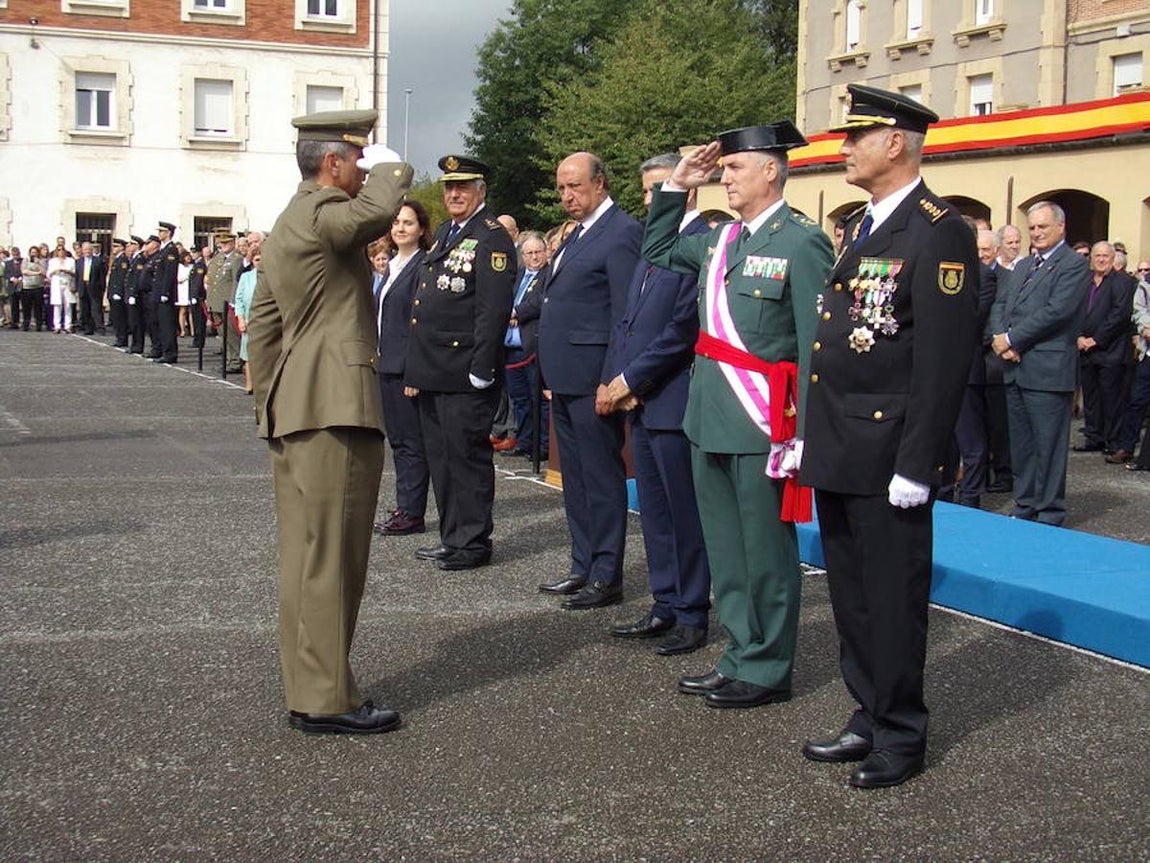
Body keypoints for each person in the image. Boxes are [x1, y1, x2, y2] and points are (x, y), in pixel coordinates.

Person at [801, 84, 979, 788]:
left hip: (889, 450)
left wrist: (920, 458)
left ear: (896, 141)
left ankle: (901, 732)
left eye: (856, 137)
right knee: (850, 590)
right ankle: (868, 710)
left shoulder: (938, 229)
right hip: (842, 442)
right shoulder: (865, 225)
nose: (844, 148)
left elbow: (941, 359)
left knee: (892, 593)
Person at [644, 125, 833, 701]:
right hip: (708, 416)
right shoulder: (719, 239)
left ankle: (768, 667)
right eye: (722, 170)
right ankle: (738, 652)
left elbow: (814, 344)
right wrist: (678, 185)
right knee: (726, 549)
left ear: (771, 171)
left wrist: (804, 431)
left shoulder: (802, 241)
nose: (724, 178)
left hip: (763, 422)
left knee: (765, 553)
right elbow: (655, 249)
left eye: (735, 168)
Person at [246, 109, 412, 735]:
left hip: (296, 407)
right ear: (333, 163)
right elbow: (370, 216)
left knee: (306, 557)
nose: (364, 171)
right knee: (333, 559)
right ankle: (325, 698)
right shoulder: (320, 213)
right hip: (333, 408)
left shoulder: (288, 221)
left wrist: (269, 402)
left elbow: (264, 324)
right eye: (357, 161)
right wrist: (395, 166)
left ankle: (310, 685)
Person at [598, 153, 715, 657]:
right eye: (646, 192)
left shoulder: (699, 242)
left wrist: (631, 378)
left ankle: (692, 612)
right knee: (655, 510)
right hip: (642, 401)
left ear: (686, 189)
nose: (648, 200)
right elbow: (631, 318)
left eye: (655, 190)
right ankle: (664, 602)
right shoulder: (656, 242)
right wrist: (618, 379)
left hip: (672, 397)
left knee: (684, 513)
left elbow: (682, 330)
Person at [536, 152, 642, 609]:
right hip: (564, 376)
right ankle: (582, 565)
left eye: (574, 186)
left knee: (600, 478)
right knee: (574, 479)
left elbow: (624, 314)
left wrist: (611, 379)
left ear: (600, 183)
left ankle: (606, 573)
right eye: (561, 188)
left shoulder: (620, 232)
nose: (566, 196)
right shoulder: (576, 235)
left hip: (593, 379)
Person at [403, 155, 517, 570]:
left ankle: (471, 542)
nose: (454, 194)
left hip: (465, 371)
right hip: (435, 370)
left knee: (465, 461)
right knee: (442, 460)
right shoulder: (450, 233)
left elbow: (493, 308)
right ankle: (453, 537)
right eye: (450, 188)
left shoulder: (490, 237)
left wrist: (482, 368)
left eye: (463, 187)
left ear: (480, 191)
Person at [988, 201, 1089, 526]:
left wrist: (1014, 339)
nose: (1036, 233)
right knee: (1022, 446)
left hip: (1047, 370)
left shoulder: (1072, 264)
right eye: (1032, 227)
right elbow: (1000, 303)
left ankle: (1049, 512)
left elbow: (1057, 312)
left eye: (1042, 227)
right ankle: (1026, 504)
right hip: (1015, 369)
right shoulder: (1022, 266)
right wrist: (999, 337)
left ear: (1060, 227)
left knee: (1048, 446)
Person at [373, 201, 432, 537]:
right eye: (396, 222)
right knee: (397, 440)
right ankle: (404, 505)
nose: (400, 228)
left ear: (421, 229)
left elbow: (420, 324)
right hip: (386, 362)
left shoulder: (422, 266)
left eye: (408, 223)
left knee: (411, 443)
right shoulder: (392, 265)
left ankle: (411, 512)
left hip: (405, 368)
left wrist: (415, 372)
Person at [1075, 242, 1136, 457]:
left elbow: (1119, 315)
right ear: (1091, 258)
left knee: (1112, 399)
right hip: (1084, 349)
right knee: (1091, 398)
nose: (1101, 259)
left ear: (1113, 258)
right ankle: (1094, 437)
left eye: (1105, 256)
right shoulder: (1084, 281)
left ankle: (1113, 440)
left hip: (1111, 350)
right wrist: (1079, 336)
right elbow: (1074, 309)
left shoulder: (1123, 282)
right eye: (1097, 255)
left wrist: (1096, 339)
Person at [502, 231, 550, 459]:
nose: (534, 257)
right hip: (510, 348)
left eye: (537, 252)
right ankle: (524, 441)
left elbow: (540, 302)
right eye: (529, 253)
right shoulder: (518, 275)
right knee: (519, 400)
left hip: (533, 346)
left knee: (537, 399)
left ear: (546, 251)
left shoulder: (549, 275)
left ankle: (541, 446)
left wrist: (516, 312)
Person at [1114, 269, 1150, 468]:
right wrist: (1146, 327)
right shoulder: (1146, 283)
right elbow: (1139, 309)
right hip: (1148, 354)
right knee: (1136, 401)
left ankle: (1145, 458)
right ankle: (1126, 447)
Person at [233, 248, 261, 393]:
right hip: (249, 320)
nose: (260, 263)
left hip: (265, 321)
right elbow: (239, 300)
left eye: (263, 260)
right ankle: (249, 384)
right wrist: (241, 319)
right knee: (248, 355)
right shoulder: (246, 277)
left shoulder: (273, 277)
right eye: (257, 260)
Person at [75, 241, 107, 335]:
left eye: (89, 249)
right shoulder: (79, 261)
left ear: (92, 250)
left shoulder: (98, 261)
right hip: (83, 286)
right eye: (85, 249)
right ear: (82, 250)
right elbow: (77, 276)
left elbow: (102, 276)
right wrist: (77, 287)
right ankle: (88, 328)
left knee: (96, 309)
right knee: (85, 309)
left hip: (94, 287)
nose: (87, 251)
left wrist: (102, 288)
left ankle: (100, 328)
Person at [106, 239, 131, 347]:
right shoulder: (117, 259)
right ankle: (119, 337)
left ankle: (122, 338)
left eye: (116, 246)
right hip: (113, 292)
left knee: (120, 318)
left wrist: (118, 292)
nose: (114, 248)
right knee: (116, 317)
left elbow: (122, 278)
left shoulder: (123, 260)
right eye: (113, 246)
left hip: (118, 293)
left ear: (122, 247)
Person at [47, 247, 76, 333]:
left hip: (67, 282)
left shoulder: (70, 260)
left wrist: (66, 271)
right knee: (57, 305)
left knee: (68, 305)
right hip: (56, 283)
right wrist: (55, 270)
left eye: (62, 250)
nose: (61, 252)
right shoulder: (52, 261)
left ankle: (68, 326)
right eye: (59, 250)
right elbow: (48, 274)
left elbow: (74, 273)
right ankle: (57, 326)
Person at [19, 248, 44, 332]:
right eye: (32, 252)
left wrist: (38, 263)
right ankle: (26, 324)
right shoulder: (25, 261)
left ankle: (38, 324)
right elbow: (24, 271)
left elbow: (44, 272)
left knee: (38, 307)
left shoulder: (40, 261)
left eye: (35, 252)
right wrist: (37, 273)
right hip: (27, 287)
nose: (33, 254)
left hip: (38, 287)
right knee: (26, 307)